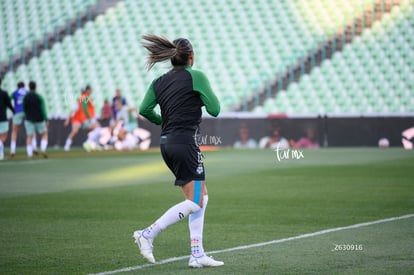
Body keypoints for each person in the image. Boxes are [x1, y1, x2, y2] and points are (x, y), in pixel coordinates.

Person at [133, 34, 224, 268]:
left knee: (201, 197)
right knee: (195, 201)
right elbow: (214, 109)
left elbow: (144, 109)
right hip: (185, 143)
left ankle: (197, 254)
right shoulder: (197, 76)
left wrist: (164, 121)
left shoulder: (159, 82)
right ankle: (147, 234)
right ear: (191, 57)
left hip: (167, 143)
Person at [63, 85, 100, 151]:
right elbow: (84, 109)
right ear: (86, 90)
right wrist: (90, 118)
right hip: (81, 119)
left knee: (92, 131)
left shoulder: (83, 98)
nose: (91, 91)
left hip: (82, 119)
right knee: (96, 128)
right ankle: (88, 143)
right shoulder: (84, 98)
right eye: (89, 90)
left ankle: (93, 144)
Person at [10, 81, 38, 156]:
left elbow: (8, 100)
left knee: (14, 131)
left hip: (17, 112)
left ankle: (12, 150)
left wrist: (13, 109)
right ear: (24, 86)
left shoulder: (15, 92)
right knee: (31, 130)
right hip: (27, 112)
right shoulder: (27, 92)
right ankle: (34, 147)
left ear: (18, 86)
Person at [22, 81, 48, 158]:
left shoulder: (25, 97)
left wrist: (26, 116)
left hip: (29, 119)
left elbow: (24, 108)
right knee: (44, 134)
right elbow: (43, 109)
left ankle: (29, 154)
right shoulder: (39, 97)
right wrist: (46, 119)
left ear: (29, 87)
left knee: (29, 136)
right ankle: (43, 149)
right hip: (39, 119)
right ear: (35, 87)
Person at [0, 79, 15, 160]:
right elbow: (9, 104)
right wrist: (14, 111)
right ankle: (1, 154)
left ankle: (1, 154)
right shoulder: (4, 93)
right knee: (3, 137)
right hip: (2, 118)